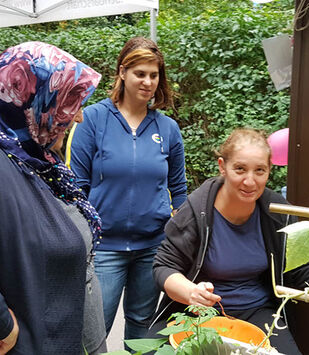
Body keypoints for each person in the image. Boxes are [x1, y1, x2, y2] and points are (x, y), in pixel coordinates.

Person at [151, 128, 309, 355]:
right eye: (240, 169)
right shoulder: (196, 210)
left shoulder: (278, 213)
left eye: (259, 170)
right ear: (222, 166)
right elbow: (163, 266)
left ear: (269, 170)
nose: (250, 181)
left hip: (257, 312)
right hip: (198, 312)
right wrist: (190, 291)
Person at [66, 36, 187, 341]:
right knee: (93, 330)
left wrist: (178, 235)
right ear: (122, 72)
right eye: (140, 74)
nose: (147, 82)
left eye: (154, 75)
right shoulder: (91, 120)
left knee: (143, 329)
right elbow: (75, 188)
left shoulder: (168, 129)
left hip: (153, 248)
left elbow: (179, 189)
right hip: (104, 248)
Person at [0, 41, 106, 354]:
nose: (79, 118)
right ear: (33, 96)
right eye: (69, 100)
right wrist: (4, 326)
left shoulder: (40, 158)